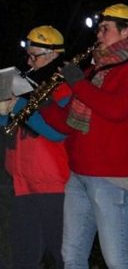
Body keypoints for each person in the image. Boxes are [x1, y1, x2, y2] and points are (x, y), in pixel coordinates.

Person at [40, 3, 128, 269]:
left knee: (117, 261)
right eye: (99, 29)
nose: (99, 35)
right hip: (79, 175)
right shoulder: (95, 72)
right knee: (72, 256)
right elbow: (69, 123)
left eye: (105, 29)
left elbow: (116, 110)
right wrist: (38, 104)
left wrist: (78, 83)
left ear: (126, 32)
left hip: (113, 178)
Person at [0, 25, 71, 268]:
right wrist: (3, 110)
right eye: (28, 55)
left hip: (51, 182)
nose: (30, 61)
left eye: (35, 56)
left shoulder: (64, 86)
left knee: (60, 254)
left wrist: (20, 107)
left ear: (54, 55)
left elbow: (57, 132)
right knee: (25, 255)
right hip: (23, 181)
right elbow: (10, 127)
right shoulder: (28, 82)